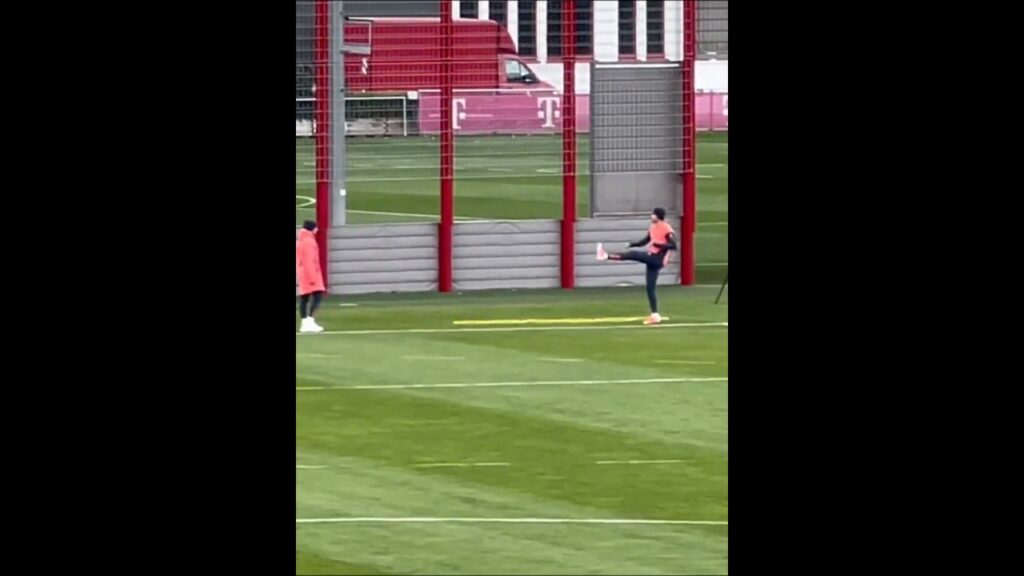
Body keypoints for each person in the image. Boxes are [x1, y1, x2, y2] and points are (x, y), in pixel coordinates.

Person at [596, 207, 677, 325]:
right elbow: (645, 241)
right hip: (653, 259)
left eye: (653, 214)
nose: (651, 216)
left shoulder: (666, 228)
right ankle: (655, 315)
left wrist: (659, 245)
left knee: (633, 255)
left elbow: (673, 245)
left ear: (657, 216)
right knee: (650, 288)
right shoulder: (653, 227)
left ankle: (606, 256)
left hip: (657, 258)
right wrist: (632, 244)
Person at [296, 220, 326, 333]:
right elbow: (309, 261)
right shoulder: (309, 242)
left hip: (303, 273)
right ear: (312, 228)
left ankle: (305, 323)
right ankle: (310, 320)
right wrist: (313, 277)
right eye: (315, 228)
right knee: (317, 296)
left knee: (304, 298)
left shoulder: (301, 240)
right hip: (311, 274)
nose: (317, 230)